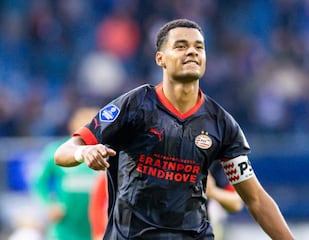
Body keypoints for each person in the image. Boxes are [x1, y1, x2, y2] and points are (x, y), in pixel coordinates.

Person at [54, 18, 295, 239]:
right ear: (160, 58)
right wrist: (83, 152)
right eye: (180, 46)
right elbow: (63, 153)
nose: (192, 51)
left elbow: (255, 199)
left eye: (199, 47)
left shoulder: (221, 124)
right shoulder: (134, 106)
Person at [88, 160, 243, 240]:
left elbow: (236, 203)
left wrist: (213, 191)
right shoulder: (140, 145)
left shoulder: (215, 153)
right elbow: (103, 196)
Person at [32, 107, 100, 240]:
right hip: (64, 228)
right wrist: (50, 204)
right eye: (84, 123)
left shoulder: (105, 153)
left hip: (93, 229)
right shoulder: (57, 151)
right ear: (73, 124)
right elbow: (38, 182)